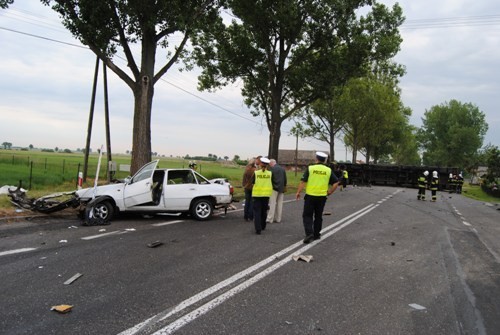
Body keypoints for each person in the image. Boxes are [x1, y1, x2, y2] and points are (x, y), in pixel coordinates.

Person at [295, 151, 339, 244]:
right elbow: (336, 183)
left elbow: (303, 181)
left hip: (310, 196)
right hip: (322, 197)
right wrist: (330, 191)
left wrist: (298, 192)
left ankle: (309, 233)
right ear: (324, 160)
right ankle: (316, 234)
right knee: (318, 216)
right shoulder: (328, 170)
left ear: (316, 159)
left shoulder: (310, 168)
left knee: (307, 215)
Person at [251, 157, 273, 234]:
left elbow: (253, 183)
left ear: (260, 165)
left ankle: (258, 229)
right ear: (267, 166)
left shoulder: (256, 173)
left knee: (257, 212)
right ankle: (263, 225)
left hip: (257, 195)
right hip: (266, 195)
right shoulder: (270, 174)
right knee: (264, 211)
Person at [266, 159, 287, 224]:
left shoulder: (271, 169)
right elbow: (285, 179)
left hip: (274, 188)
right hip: (281, 188)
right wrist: (284, 186)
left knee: (272, 204)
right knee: (279, 204)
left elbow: (270, 179)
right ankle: (278, 218)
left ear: (271, 163)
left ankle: (270, 219)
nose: (269, 165)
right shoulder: (282, 169)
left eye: (269, 164)